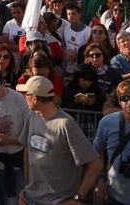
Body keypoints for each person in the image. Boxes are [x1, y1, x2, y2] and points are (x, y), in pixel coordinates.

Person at [17, 75, 102, 204]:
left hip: (58, 201)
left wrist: (77, 199)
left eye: (25, 94)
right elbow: (27, 151)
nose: (24, 98)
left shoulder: (66, 124)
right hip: (30, 199)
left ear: (34, 98)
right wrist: (26, 189)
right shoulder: (32, 115)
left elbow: (96, 164)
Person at [0, 61, 31, 205]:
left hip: (14, 166)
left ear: (3, 84)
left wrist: (10, 140)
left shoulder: (18, 99)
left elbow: (29, 133)